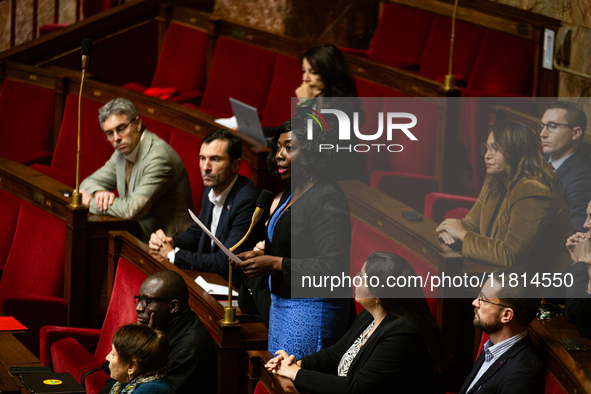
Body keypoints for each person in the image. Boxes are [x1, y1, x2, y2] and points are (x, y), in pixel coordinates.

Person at [236, 116, 351, 358]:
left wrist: (274, 263)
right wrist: (260, 257)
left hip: (312, 310)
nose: (279, 154)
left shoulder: (327, 196)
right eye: (278, 147)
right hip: (282, 305)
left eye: (289, 148)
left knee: (292, 384)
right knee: (277, 380)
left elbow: (334, 266)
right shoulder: (293, 188)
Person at [265, 252, 445, 394]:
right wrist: (298, 364)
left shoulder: (404, 333)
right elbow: (336, 354)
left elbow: (358, 389)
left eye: (362, 277)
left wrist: (296, 374)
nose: (356, 279)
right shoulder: (369, 316)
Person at [436, 122, 573, 273]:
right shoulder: (495, 180)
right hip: (503, 274)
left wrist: (461, 234)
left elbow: (510, 255)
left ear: (515, 152)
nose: (487, 155)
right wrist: (449, 232)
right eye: (486, 148)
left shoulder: (534, 191)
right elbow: (472, 225)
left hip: (545, 283)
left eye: (495, 149)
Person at [149, 129, 263, 279]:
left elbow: (227, 260)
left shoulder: (247, 200)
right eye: (202, 158)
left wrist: (174, 255)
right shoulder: (212, 186)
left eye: (215, 159)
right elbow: (199, 231)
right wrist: (166, 242)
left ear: (235, 165)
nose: (205, 167)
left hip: (232, 287)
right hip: (210, 278)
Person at [80, 98, 193, 243]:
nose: (116, 138)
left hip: (170, 246)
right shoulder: (122, 152)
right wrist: (98, 193)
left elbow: (131, 210)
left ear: (137, 124)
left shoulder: (158, 158)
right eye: (109, 133)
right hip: (139, 237)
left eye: (121, 128)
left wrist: (91, 201)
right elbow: (88, 182)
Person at [100, 270, 216, 394]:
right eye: (139, 300)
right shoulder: (159, 325)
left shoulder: (190, 350)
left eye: (146, 301)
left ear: (173, 307)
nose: (138, 307)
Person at [459, 269, 544, 394]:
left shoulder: (523, 374)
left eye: (483, 299)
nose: (475, 302)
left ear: (506, 315)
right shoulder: (492, 346)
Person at [540, 100, 591, 232]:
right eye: (542, 126)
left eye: (552, 126)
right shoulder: (535, 160)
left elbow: (575, 233)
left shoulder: (581, 178)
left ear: (576, 133)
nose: (543, 134)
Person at [106, 324, 174, 394]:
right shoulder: (130, 382)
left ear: (131, 366)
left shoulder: (147, 390)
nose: (107, 357)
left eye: (113, 354)